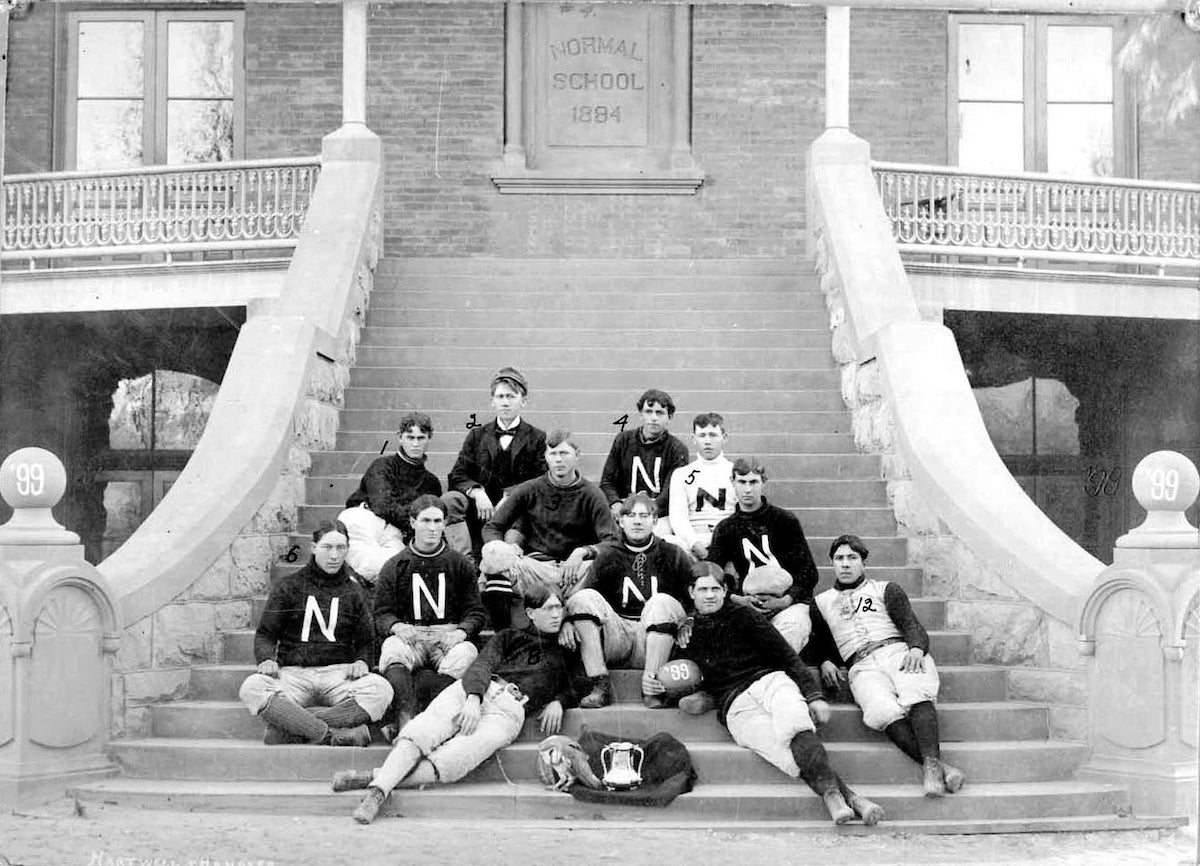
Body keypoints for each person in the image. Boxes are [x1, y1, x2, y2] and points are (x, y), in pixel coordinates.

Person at [335, 583, 579, 824]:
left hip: (510, 712)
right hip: (479, 688)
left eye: (559, 608)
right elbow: (482, 665)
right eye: (549, 608)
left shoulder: (567, 648)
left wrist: (560, 700)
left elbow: (578, 685)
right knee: (421, 732)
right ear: (530, 613)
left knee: (455, 758)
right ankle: (377, 795)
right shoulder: (509, 637)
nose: (556, 614)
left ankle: (376, 780)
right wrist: (474, 698)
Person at [674, 563, 884, 825]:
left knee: (795, 725)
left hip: (769, 681)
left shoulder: (743, 615)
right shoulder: (687, 632)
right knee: (786, 756)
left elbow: (786, 656)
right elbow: (681, 677)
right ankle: (852, 799)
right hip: (736, 706)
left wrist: (814, 696)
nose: (709, 595)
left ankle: (833, 798)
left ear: (726, 590)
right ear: (691, 592)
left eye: (715, 589)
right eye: (702, 589)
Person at [810, 534, 966, 797]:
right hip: (861, 665)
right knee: (880, 710)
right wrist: (825, 660)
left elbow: (910, 624)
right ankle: (945, 768)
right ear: (831, 564)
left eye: (852, 558)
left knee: (916, 688)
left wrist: (916, 648)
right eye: (839, 559)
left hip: (897, 651)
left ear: (864, 562)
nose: (845, 564)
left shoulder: (885, 589)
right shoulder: (821, 603)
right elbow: (823, 643)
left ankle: (931, 768)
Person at [238, 521, 393, 746]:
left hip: (338, 675)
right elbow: (265, 634)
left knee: (381, 690)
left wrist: (361, 660)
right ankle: (330, 734)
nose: (334, 555)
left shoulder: (355, 592)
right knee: (252, 687)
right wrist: (266, 659)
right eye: (327, 547)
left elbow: (366, 641)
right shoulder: (288, 586)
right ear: (313, 547)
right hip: (294, 674)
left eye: (341, 548)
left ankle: (291, 730)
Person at [560, 492, 693, 709]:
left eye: (644, 515)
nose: (637, 521)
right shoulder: (608, 554)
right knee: (582, 598)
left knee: (660, 602)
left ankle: (652, 685)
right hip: (617, 636)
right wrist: (566, 621)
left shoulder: (673, 553)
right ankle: (599, 683)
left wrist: (688, 620)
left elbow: (693, 594)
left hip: (653, 639)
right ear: (620, 521)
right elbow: (585, 597)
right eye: (631, 515)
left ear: (655, 521)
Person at [373, 495, 487, 739]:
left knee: (466, 653)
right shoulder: (395, 565)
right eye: (426, 520)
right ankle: (406, 717)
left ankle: (432, 715)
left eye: (438, 521)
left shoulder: (459, 563)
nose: (432, 528)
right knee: (392, 648)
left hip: (447, 634)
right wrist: (396, 626)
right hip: (411, 635)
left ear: (445, 523)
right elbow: (381, 612)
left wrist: (460, 631)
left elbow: (476, 612)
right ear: (413, 522)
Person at [479, 429, 618, 627]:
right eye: (553, 454)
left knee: (605, 566)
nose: (558, 460)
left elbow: (612, 541)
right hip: (536, 568)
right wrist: (508, 550)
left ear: (577, 456)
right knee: (499, 561)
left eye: (564, 453)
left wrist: (582, 552)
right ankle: (503, 637)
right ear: (546, 457)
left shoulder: (592, 494)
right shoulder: (530, 489)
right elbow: (492, 527)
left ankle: (574, 623)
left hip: (576, 572)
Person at [706, 456, 819, 653]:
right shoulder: (726, 528)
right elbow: (712, 574)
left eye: (753, 482)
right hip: (748, 603)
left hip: (786, 602)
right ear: (732, 482)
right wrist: (737, 599)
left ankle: (773, 674)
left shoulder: (784, 520)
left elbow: (808, 572)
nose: (748, 489)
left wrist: (786, 600)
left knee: (794, 626)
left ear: (763, 482)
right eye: (742, 482)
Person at [443, 367, 548, 561]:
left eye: (511, 396)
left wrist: (511, 496)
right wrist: (477, 492)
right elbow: (458, 474)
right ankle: (464, 564)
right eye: (500, 397)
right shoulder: (477, 435)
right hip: (479, 511)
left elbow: (541, 479)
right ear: (492, 401)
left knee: (508, 550)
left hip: (517, 512)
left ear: (523, 401)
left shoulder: (537, 437)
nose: (505, 402)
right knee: (451, 500)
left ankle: (507, 564)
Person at [340, 412, 442, 581]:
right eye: (410, 437)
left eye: (421, 438)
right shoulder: (383, 465)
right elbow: (382, 505)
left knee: (392, 569)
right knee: (369, 565)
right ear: (400, 437)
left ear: (429, 438)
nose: (415, 444)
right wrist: (415, 521)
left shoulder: (431, 482)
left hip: (395, 531)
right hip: (366, 518)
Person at [598, 389, 689, 522]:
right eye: (648, 412)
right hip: (624, 512)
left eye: (660, 413)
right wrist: (616, 505)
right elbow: (607, 483)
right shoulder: (623, 440)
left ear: (669, 416)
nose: (653, 418)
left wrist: (643, 515)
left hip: (659, 516)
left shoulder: (677, 449)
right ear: (641, 414)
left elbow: (670, 494)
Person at [659, 412, 736, 560]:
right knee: (667, 541)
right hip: (693, 542)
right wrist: (695, 543)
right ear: (693, 438)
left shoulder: (735, 471)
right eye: (702, 435)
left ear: (724, 437)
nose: (707, 441)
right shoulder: (682, 474)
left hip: (727, 541)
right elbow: (678, 517)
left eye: (713, 435)